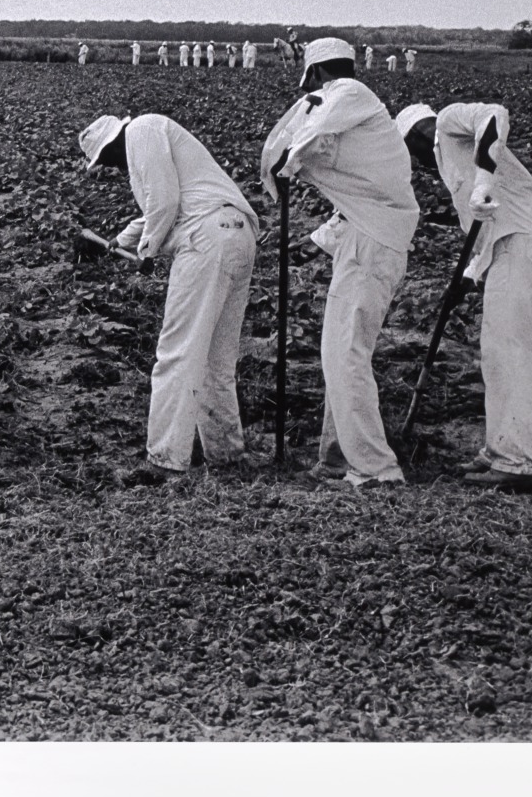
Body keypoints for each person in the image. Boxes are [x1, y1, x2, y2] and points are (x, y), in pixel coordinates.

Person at [260, 38, 418, 488]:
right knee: (339, 355)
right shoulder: (352, 114)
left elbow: (308, 136)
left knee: (345, 356)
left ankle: (375, 469)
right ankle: (334, 459)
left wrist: (290, 164)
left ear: (315, 73)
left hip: (374, 243)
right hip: (363, 238)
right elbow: (352, 185)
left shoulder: (350, 93)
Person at [397, 102, 532, 491]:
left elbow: (495, 114)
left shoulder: (448, 122)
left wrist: (484, 182)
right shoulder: (449, 164)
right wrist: (467, 279)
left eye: (412, 153)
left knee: (508, 352)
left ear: (416, 137)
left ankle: (518, 461)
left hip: (523, 241)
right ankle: (500, 448)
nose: (418, 164)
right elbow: (484, 234)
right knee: (512, 352)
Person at [81, 113, 256, 480]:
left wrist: (146, 253)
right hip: (237, 234)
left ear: (113, 142)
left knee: (177, 352)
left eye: (105, 159)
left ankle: (166, 458)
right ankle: (226, 455)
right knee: (216, 359)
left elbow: (163, 202)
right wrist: (123, 241)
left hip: (206, 239)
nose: (111, 167)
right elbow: (158, 209)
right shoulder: (151, 135)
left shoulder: (142, 131)